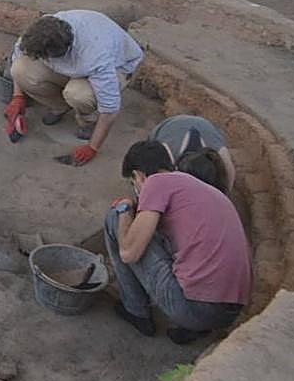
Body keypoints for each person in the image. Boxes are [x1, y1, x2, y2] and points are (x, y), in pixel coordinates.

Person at [105, 141, 251, 344]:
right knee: (166, 238)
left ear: (139, 175)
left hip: (194, 308)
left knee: (115, 218)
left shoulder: (156, 182)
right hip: (229, 312)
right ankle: (193, 329)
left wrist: (125, 207)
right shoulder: (199, 188)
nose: (136, 189)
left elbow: (128, 253)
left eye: (133, 183)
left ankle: (136, 311)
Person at [3, 10, 144, 166]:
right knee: (19, 69)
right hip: (77, 61)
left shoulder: (95, 56)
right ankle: (60, 106)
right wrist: (17, 96)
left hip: (119, 66)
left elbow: (110, 109)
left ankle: (89, 121)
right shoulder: (37, 31)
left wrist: (92, 147)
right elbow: (19, 54)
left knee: (78, 94)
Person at [149, 114, 235, 192]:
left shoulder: (224, 162)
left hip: (205, 127)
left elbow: (224, 192)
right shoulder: (164, 153)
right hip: (169, 126)